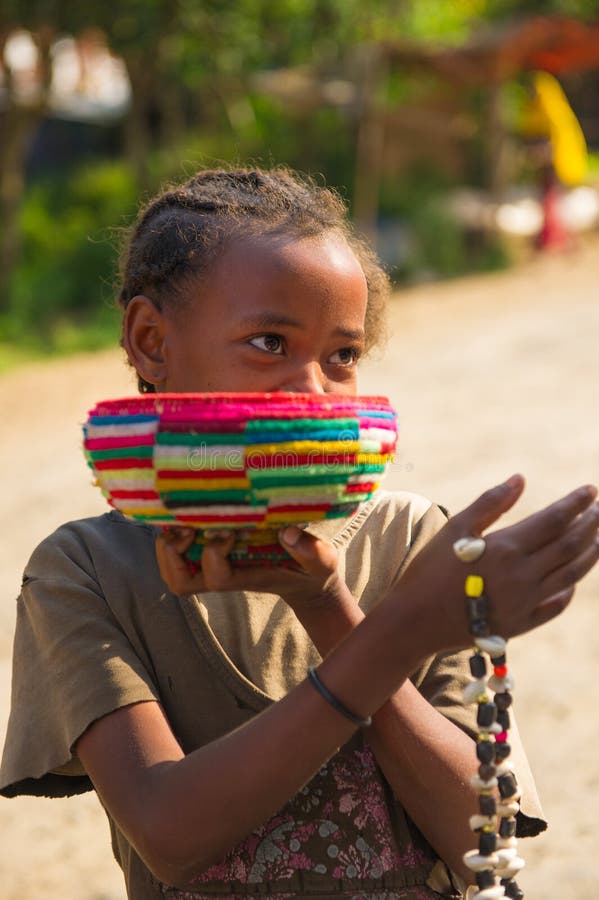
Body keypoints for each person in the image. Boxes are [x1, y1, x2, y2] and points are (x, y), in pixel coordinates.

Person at [1, 167, 598, 900]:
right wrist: (397, 634)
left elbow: (482, 837)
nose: (312, 389)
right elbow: (170, 835)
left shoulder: (410, 541)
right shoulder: (89, 570)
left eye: (341, 355)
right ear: (150, 339)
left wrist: (328, 607)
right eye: (267, 341)